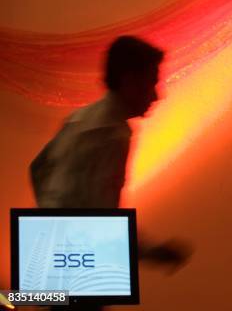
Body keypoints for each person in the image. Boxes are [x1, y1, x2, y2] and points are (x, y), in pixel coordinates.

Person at [30, 36, 191, 310]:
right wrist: (149, 252)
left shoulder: (79, 119)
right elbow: (99, 218)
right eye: (151, 81)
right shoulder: (112, 136)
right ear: (129, 80)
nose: (156, 95)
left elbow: (38, 168)